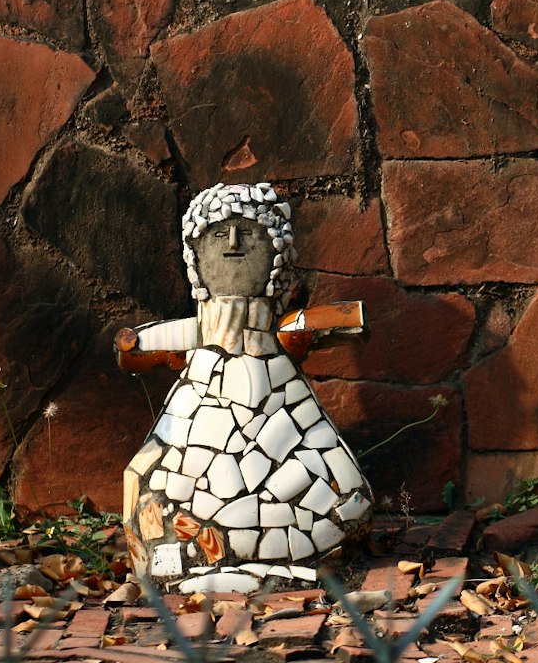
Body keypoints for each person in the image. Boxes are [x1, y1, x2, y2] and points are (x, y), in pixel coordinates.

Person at [114, 183, 372, 592]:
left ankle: (283, 557)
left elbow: (318, 323)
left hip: (281, 395)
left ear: (276, 253)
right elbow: (144, 344)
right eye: (219, 234)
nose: (233, 244)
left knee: (344, 493)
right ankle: (196, 558)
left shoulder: (278, 329)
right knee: (155, 481)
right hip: (201, 400)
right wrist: (136, 343)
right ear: (195, 255)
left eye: (247, 233)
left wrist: (331, 323)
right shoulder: (199, 329)